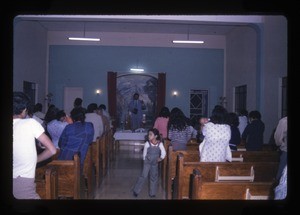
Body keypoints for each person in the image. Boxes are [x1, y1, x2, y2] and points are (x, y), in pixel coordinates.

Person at [13, 92, 57, 199]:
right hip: (21, 179)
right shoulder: (30, 123)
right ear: (24, 109)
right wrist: (35, 159)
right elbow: (52, 150)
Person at [132, 128, 166, 198]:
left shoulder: (160, 144)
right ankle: (136, 190)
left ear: (156, 136)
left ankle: (152, 193)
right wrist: (145, 160)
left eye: (150, 134)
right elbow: (144, 153)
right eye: (148, 134)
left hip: (155, 163)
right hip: (147, 162)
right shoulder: (147, 143)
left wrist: (161, 158)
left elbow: (164, 152)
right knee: (143, 176)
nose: (149, 136)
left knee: (154, 177)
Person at [58, 107, 94, 171]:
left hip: (66, 160)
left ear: (72, 117)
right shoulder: (90, 126)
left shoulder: (69, 127)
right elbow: (90, 140)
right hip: (82, 158)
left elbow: (60, 144)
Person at [274, 116, 287, 181]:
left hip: (286, 153)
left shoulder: (284, 121)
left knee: (281, 180)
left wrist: (282, 144)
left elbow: (278, 140)